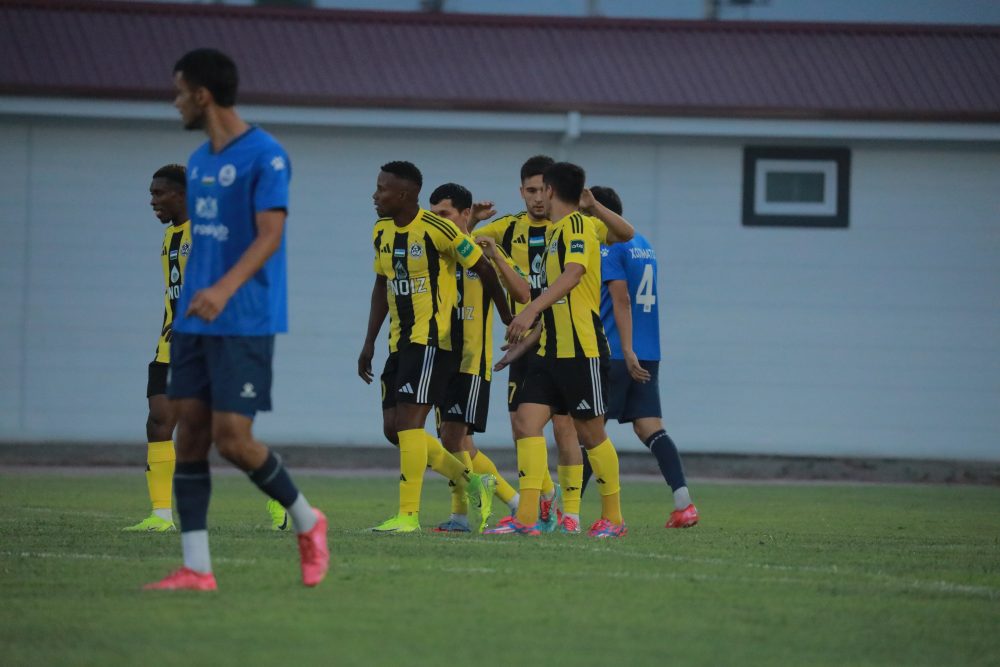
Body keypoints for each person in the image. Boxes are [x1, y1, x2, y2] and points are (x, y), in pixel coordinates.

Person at [145, 48, 328, 591]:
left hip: (244, 317)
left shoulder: (266, 155)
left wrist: (223, 289)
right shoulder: (199, 161)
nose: (175, 102)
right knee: (190, 437)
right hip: (195, 322)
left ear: (202, 95)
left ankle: (307, 520)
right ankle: (197, 568)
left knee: (232, 439)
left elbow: (270, 236)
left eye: (180, 91)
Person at [474, 156, 634, 533]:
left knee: (590, 434)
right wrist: (525, 342)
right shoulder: (553, 232)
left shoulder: (578, 226)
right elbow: (551, 297)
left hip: (581, 350)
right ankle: (527, 518)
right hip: (548, 350)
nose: (537, 197)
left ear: (549, 190)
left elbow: (574, 274)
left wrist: (529, 310)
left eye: (540, 189)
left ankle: (613, 518)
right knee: (526, 422)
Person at [357, 162, 510, 533]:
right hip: (399, 341)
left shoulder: (437, 229)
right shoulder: (381, 231)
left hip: (432, 340)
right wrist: (369, 342)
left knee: (412, 426)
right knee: (393, 430)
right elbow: (382, 285)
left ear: (404, 194)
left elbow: (483, 268)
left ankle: (407, 516)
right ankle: (473, 481)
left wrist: (508, 317)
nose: (375, 195)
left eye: (382, 189)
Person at [581, 186, 699, 528]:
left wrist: (626, 349)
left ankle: (566, 511)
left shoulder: (609, 247)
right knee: (650, 427)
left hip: (618, 351)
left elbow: (621, 299)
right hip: (648, 351)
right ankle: (684, 503)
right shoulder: (643, 244)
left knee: (589, 431)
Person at [426, 182, 529, 532]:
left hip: (471, 359)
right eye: (434, 215)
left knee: (453, 438)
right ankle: (501, 506)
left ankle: (483, 505)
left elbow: (523, 292)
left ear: (464, 213)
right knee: (458, 443)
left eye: (445, 214)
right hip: (440, 356)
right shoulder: (437, 248)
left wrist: (496, 255)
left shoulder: (483, 252)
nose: (438, 221)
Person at [122, 165, 190, 533]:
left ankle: (280, 497)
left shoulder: (207, 235)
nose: (153, 201)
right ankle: (161, 516)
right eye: (151, 194)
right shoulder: (169, 237)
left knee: (226, 435)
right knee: (158, 421)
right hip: (168, 345)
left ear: (182, 195)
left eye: (159, 194)